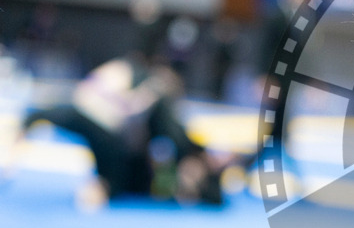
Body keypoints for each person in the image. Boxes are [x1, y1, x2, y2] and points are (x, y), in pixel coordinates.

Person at [21, 51, 229, 208]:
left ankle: (105, 187)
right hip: (113, 130)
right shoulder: (139, 92)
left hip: (120, 133)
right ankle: (104, 188)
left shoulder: (154, 105)